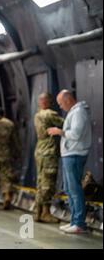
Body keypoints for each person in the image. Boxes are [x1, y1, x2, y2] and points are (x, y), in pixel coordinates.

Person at [48, 90, 92, 234]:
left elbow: (76, 134)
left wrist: (59, 132)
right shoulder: (74, 112)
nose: (60, 106)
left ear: (68, 100)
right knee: (68, 189)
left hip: (75, 154)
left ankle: (79, 223)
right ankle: (74, 220)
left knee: (75, 189)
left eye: (61, 103)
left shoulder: (79, 112)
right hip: (69, 154)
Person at [33, 93, 64, 223]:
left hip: (39, 150)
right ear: (49, 102)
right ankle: (46, 212)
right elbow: (65, 124)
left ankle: (38, 212)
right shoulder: (50, 114)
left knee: (40, 182)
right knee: (48, 183)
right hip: (49, 152)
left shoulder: (37, 115)